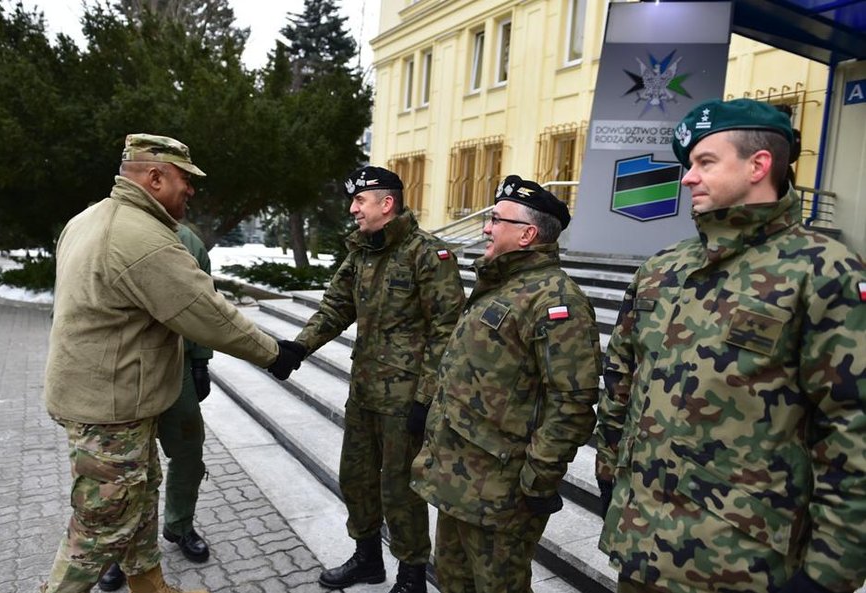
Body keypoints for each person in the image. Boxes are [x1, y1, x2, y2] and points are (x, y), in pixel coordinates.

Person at [595, 98, 866, 593]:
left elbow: (853, 426)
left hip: (743, 564)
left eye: (705, 163)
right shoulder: (663, 267)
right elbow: (623, 378)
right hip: (642, 549)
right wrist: (610, 468)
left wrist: (831, 572)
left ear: (758, 165)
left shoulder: (823, 270)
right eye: (688, 165)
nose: (687, 179)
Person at [41, 133, 304, 593]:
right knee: (99, 529)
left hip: (117, 400)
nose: (192, 190)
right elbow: (205, 313)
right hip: (110, 411)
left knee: (139, 503)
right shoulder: (140, 237)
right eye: (186, 179)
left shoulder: (89, 218)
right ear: (155, 177)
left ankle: (151, 588)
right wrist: (275, 354)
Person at [411, 175, 602, 593]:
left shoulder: (556, 299)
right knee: (453, 579)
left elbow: (572, 402)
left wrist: (539, 479)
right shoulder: (500, 285)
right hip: (459, 481)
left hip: (502, 491)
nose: (486, 226)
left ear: (527, 234)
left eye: (497, 219)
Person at [282, 166, 465, 593]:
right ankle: (367, 560)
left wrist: (426, 398)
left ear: (387, 204)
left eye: (359, 201)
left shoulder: (428, 255)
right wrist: (298, 347)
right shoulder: (362, 253)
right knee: (357, 478)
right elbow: (335, 308)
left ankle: (412, 575)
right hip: (364, 392)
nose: (352, 209)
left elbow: (448, 331)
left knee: (401, 489)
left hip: (405, 400)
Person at [97, 224, 216, 592]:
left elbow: (202, 303)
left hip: (175, 367)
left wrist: (199, 361)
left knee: (189, 452)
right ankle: (123, 551)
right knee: (129, 466)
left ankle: (179, 525)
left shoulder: (188, 240)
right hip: (125, 373)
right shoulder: (108, 230)